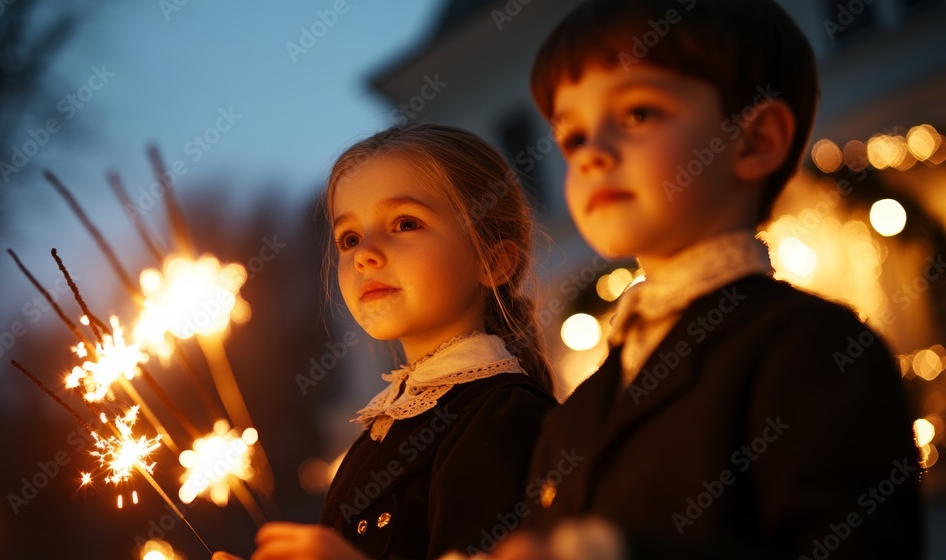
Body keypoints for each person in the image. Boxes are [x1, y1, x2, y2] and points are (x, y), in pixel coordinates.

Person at [489, 0, 923, 558]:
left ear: (755, 139)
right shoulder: (572, 418)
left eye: (637, 114)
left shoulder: (814, 348)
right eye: (572, 138)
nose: (592, 154)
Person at [214, 123, 555, 560]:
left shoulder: (506, 418)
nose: (364, 254)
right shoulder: (376, 434)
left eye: (405, 223)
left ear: (492, 261)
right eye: (349, 238)